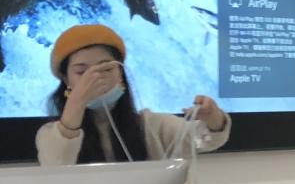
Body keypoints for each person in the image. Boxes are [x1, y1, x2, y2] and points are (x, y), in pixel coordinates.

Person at [36, 24, 229, 165]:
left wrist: (213, 118)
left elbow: (204, 140)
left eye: (106, 69)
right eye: (81, 72)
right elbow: (56, 167)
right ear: (66, 79)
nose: (96, 79)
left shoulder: (152, 126)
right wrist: (76, 103)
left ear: (121, 73)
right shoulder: (49, 135)